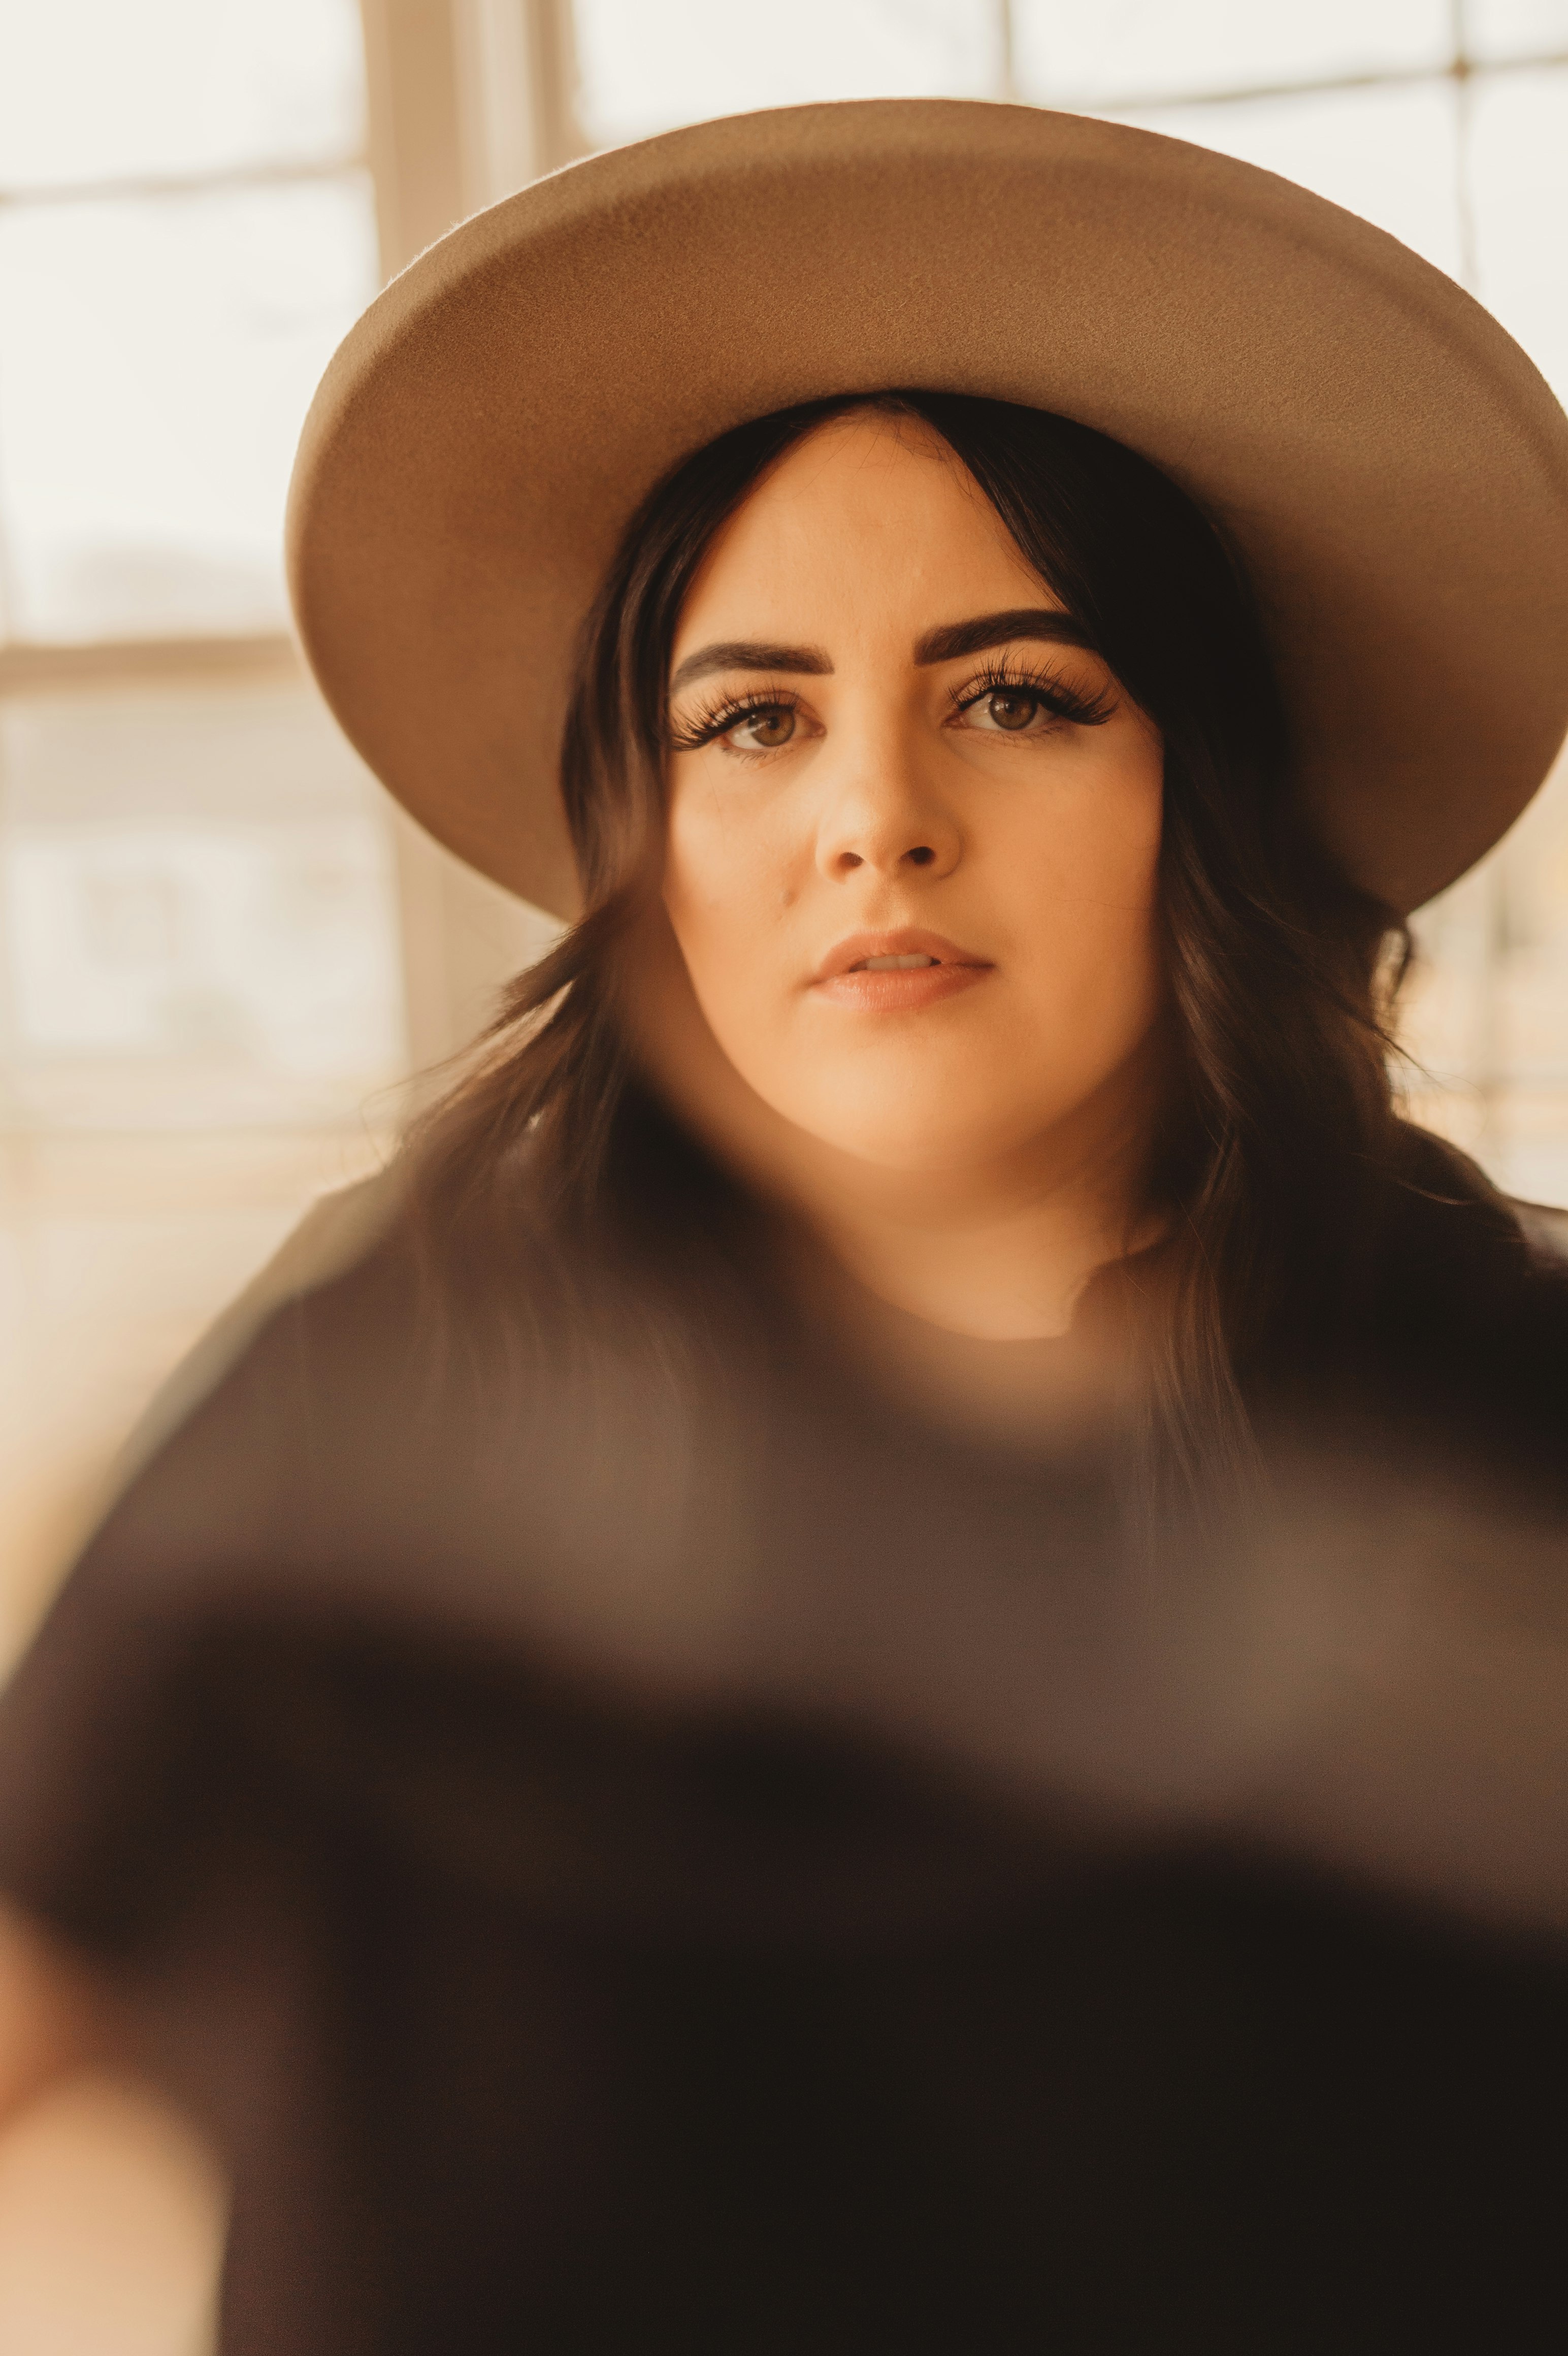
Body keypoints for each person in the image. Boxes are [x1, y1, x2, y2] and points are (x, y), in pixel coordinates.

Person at [1, 99, 1568, 2352]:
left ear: (1206, 791)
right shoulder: (384, 1378)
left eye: (1016, 696)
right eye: (750, 718)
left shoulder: (1506, 1393)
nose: (872, 819)